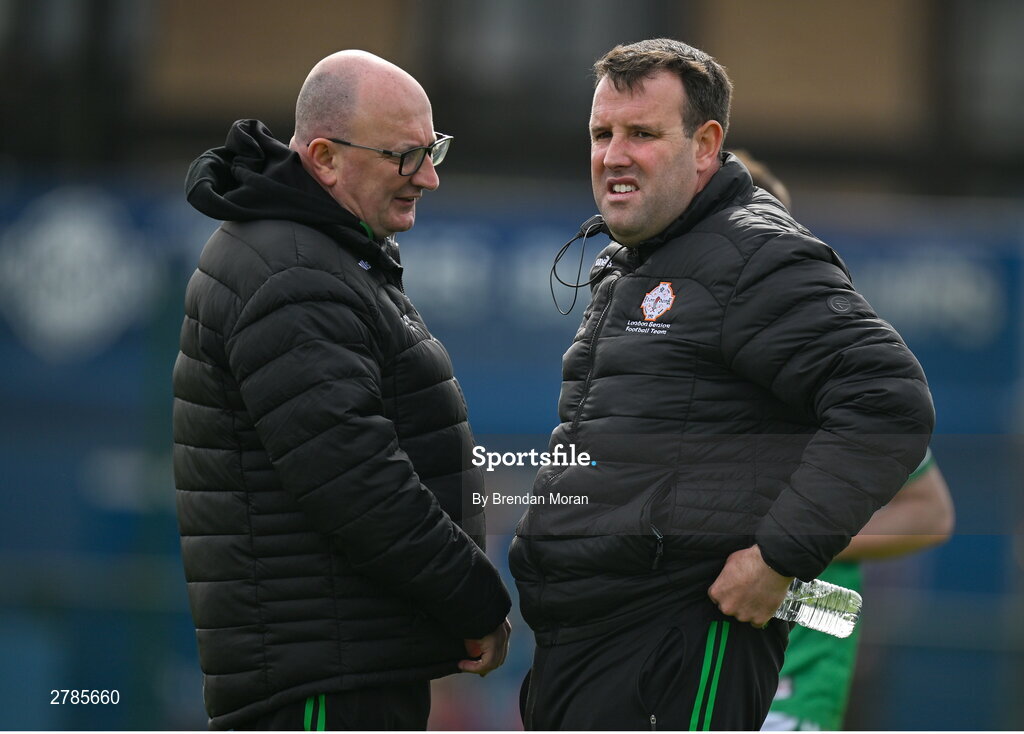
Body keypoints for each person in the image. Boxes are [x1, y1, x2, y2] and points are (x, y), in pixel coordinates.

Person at [508, 38, 935, 731]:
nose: (613, 154)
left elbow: (888, 402)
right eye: (601, 133)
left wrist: (777, 557)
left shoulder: (755, 254)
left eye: (642, 133)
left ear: (706, 144)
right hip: (586, 648)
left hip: (676, 650)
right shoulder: (638, 262)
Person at [172, 50, 512, 731]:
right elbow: (358, 481)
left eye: (434, 148)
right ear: (325, 158)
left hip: (342, 669)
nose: (432, 177)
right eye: (407, 155)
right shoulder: (292, 269)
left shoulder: (316, 252)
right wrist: (476, 601)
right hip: (323, 686)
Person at [732, 150, 956, 731]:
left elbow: (930, 513)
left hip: (793, 689)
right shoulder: (658, 359)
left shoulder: (827, 370)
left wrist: (792, 546)